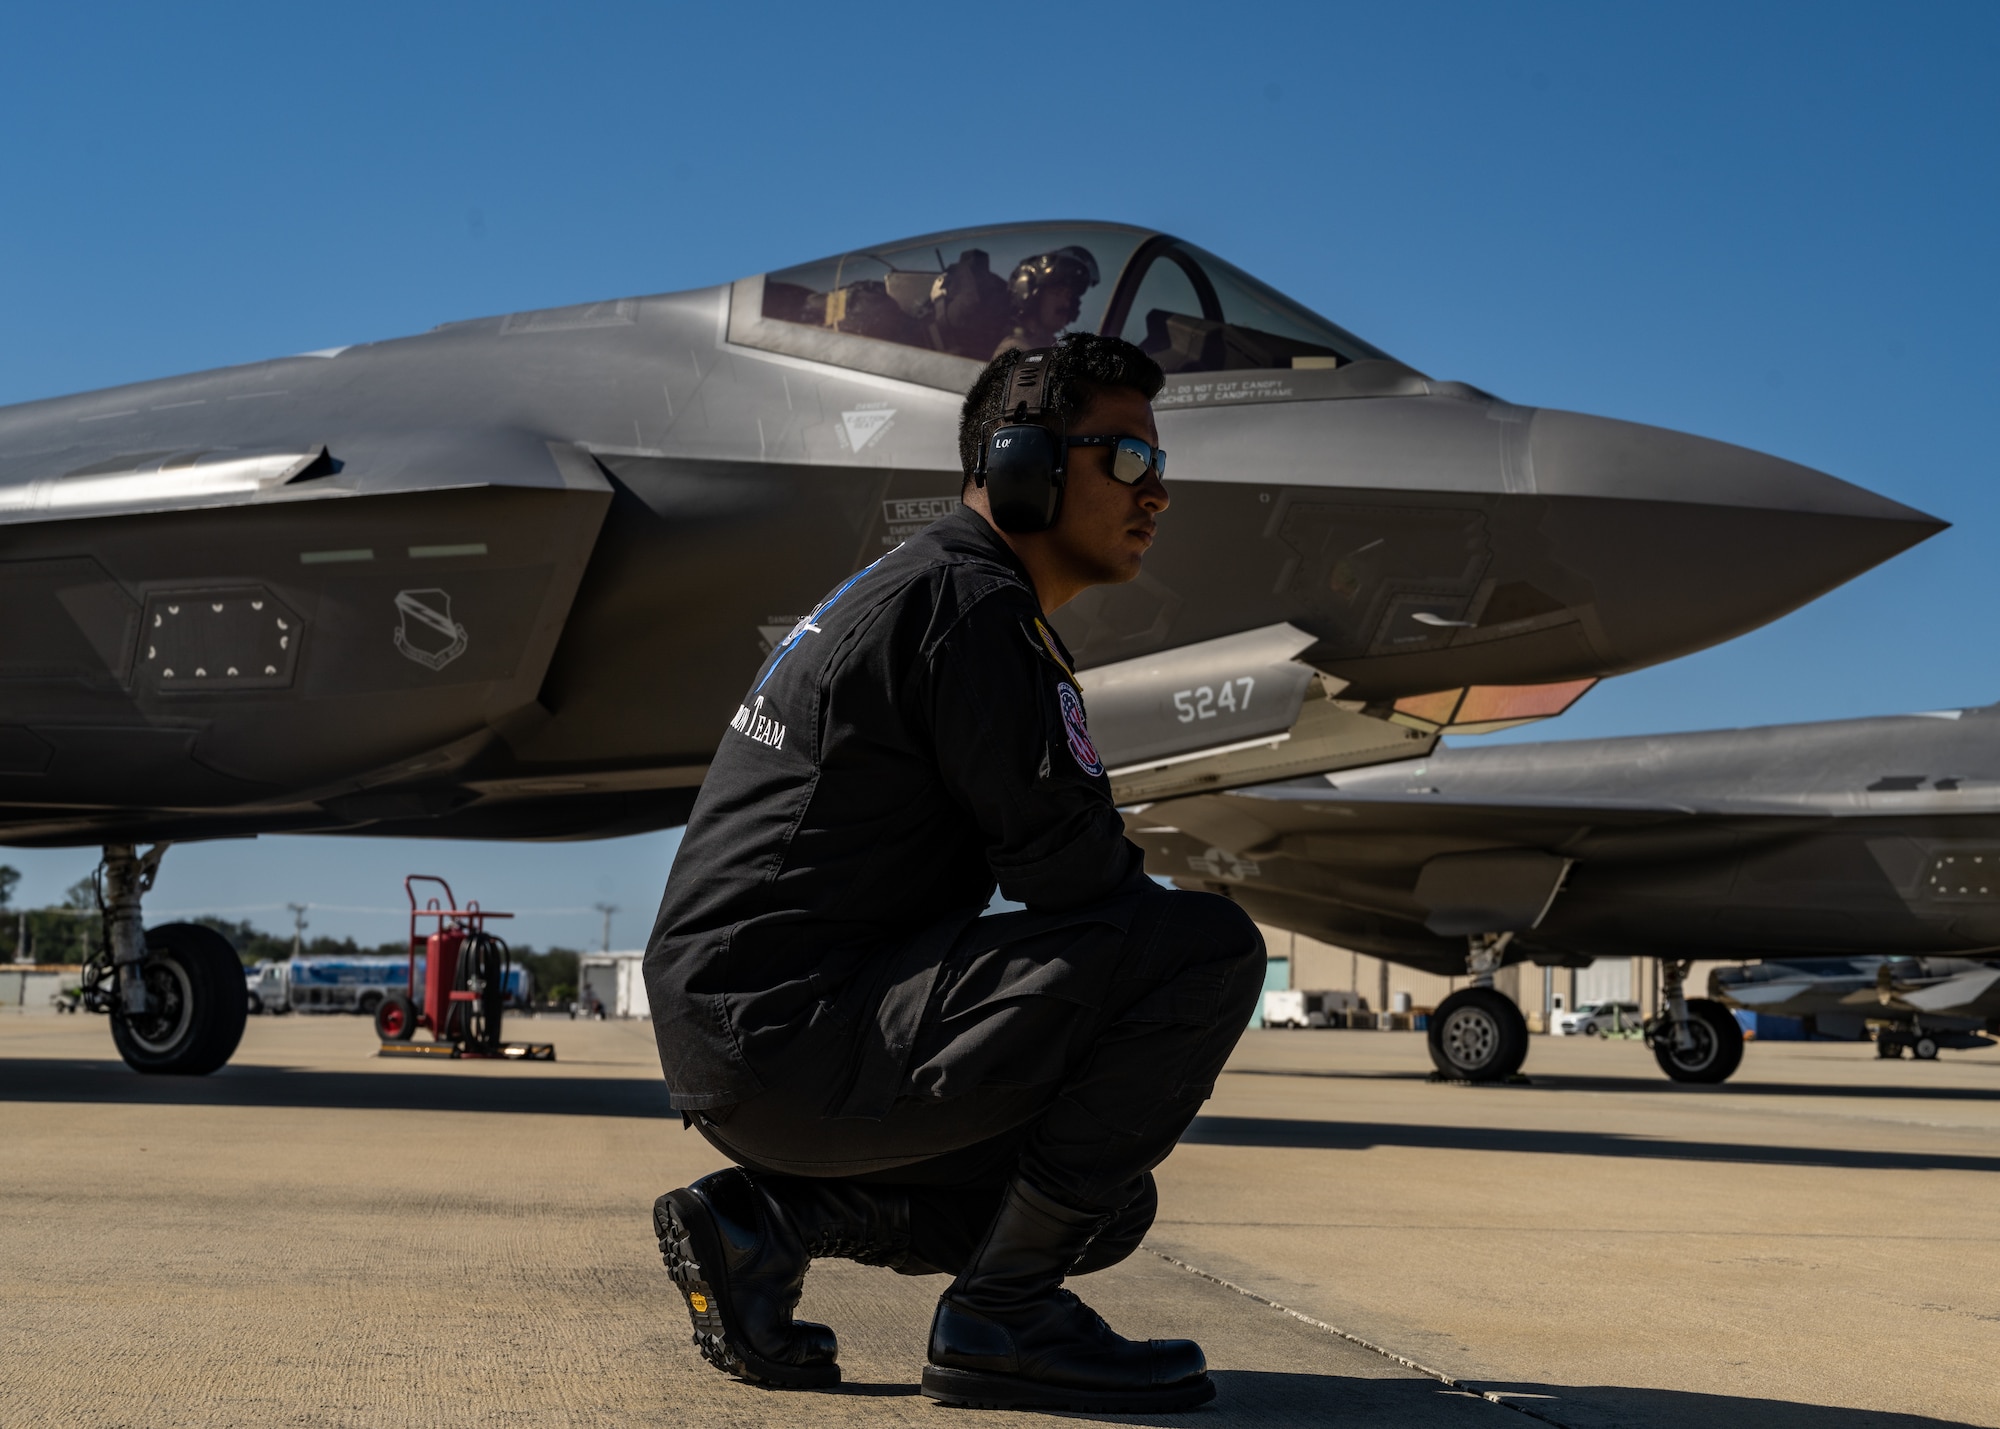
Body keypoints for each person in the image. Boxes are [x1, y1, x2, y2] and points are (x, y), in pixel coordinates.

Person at [644, 332, 1264, 1414]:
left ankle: (771, 1225)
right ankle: (1004, 1318)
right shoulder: (968, 609)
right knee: (1204, 953)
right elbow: (1076, 875)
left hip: (756, 1034)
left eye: (1159, 465)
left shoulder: (927, 587)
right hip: (791, 1030)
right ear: (1021, 461)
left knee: (1102, 1204)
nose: (1154, 492)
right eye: (1124, 458)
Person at [991, 245, 1100, 356]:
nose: (1066, 303)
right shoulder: (1016, 350)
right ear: (1033, 297)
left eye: (1068, 296)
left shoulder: (1054, 348)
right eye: (1057, 292)